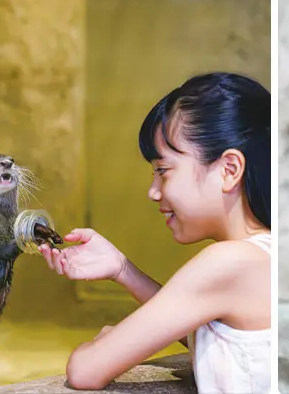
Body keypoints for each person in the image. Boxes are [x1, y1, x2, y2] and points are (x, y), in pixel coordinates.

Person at [37, 72, 271, 393]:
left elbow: (84, 371)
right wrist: (122, 268)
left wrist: (108, 344)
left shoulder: (232, 260)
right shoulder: (260, 254)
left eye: (163, 171)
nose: (153, 191)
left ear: (228, 170)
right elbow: (205, 327)